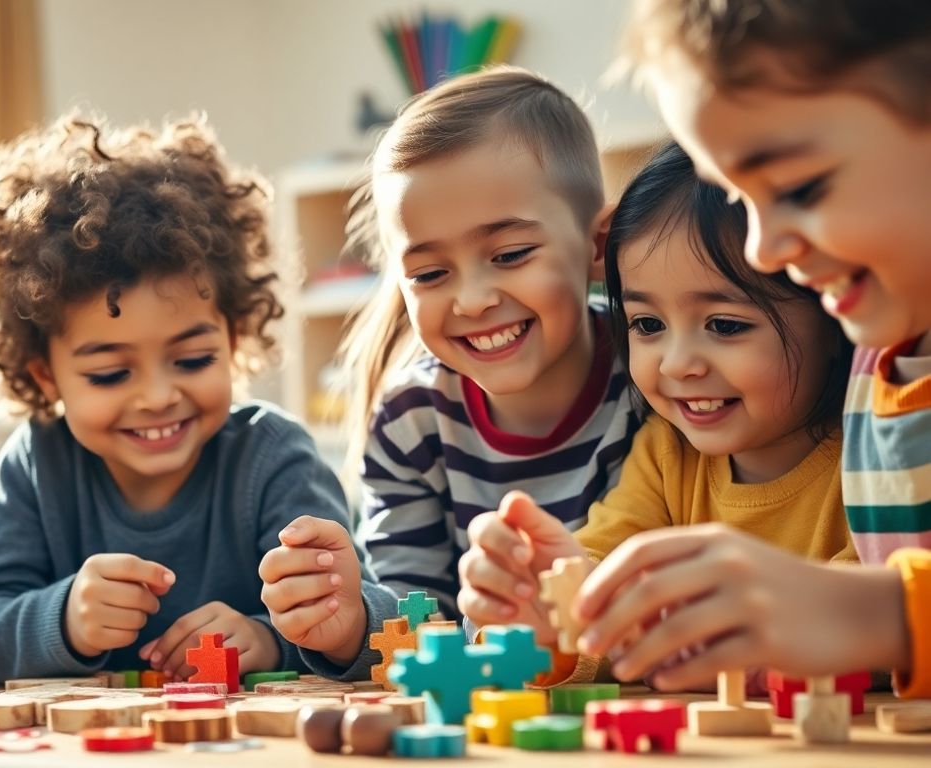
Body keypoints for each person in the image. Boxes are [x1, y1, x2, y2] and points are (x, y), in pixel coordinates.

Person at [564, 0, 931, 697]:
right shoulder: (874, 366)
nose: (764, 249)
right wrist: (559, 608)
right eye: (742, 195)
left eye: (798, 187)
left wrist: (876, 614)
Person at [0, 114, 355, 682]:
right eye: (111, 374)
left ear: (232, 341)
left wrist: (268, 639)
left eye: (192, 361)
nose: (159, 396)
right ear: (45, 378)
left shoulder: (272, 456)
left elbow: (362, 620)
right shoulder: (39, 464)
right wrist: (62, 619)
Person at [260, 66, 639, 680]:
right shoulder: (411, 420)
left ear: (597, 244)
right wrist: (351, 620)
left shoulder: (653, 377)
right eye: (431, 274)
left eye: (511, 255)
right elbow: (416, 618)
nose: (471, 300)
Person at [458, 141, 854, 685]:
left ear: (832, 315)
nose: (678, 363)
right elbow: (596, 573)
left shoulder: (873, 459)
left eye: (725, 325)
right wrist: (547, 617)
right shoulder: (665, 456)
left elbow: (878, 613)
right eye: (647, 325)